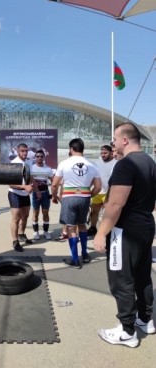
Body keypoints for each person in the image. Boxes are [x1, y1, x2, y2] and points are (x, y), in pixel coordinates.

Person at [94, 123, 156, 347]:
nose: (113, 144)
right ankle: (145, 319)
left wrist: (101, 233)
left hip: (125, 230)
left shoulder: (125, 165)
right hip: (145, 225)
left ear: (125, 140)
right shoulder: (150, 161)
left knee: (121, 280)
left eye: (114, 140)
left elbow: (116, 204)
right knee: (142, 275)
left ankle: (127, 331)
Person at [51, 138, 101, 268]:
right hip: (84, 197)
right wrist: (88, 195)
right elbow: (98, 187)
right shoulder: (93, 165)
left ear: (71, 149)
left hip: (69, 197)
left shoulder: (64, 163)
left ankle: (75, 259)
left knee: (72, 227)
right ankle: (84, 253)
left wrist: (55, 196)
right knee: (82, 224)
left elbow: (55, 184)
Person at [8, 143, 41, 252]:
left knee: (26, 215)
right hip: (15, 193)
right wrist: (24, 187)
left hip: (25, 193)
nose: (25, 153)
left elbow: (31, 177)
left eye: (26, 151)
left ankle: (21, 234)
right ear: (17, 151)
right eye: (22, 151)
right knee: (16, 218)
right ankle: (15, 241)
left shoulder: (28, 162)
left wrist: (37, 191)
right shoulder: (13, 164)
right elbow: (10, 184)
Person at [87, 145, 117, 236]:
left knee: (107, 215)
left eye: (105, 153)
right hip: (97, 192)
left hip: (109, 194)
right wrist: (88, 188)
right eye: (102, 153)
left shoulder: (116, 163)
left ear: (111, 153)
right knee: (94, 212)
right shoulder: (97, 163)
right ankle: (93, 228)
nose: (103, 155)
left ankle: (108, 232)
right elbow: (93, 178)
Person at [31, 150, 54, 240]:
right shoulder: (32, 168)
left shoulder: (48, 169)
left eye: (41, 156)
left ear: (44, 157)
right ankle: (36, 232)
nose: (39, 158)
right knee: (35, 213)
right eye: (38, 156)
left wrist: (54, 193)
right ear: (35, 157)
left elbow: (53, 182)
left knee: (45, 213)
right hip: (34, 194)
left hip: (45, 193)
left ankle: (46, 231)